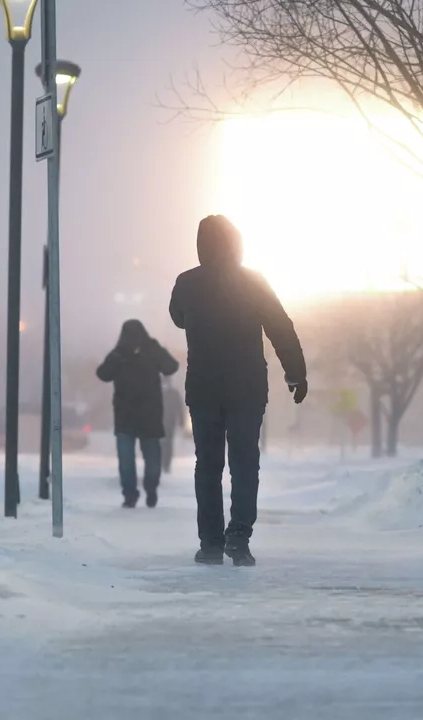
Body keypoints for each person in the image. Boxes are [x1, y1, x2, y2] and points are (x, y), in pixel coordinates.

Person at [169, 214, 307, 567]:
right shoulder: (253, 282)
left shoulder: (187, 282)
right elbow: (281, 327)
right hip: (247, 387)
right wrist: (296, 373)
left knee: (208, 464)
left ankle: (211, 542)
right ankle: (239, 537)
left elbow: (177, 316)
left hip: (203, 387)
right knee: (245, 462)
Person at [96, 319, 179, 508]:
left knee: (130, 459)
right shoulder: (126, 353)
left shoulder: (134, 351)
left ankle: (133, 493)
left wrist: (154, 350)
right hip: (145, 415)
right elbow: (103, 374)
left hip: (130, 415)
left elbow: (170, 367)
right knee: (149, 458)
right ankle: (146, 491)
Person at [161, 377, 184, 474]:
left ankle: (166, 464)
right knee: (162, 443)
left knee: (167, 444)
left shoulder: (174, 393)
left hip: (170, 422)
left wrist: (181, 420)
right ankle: (162, 462)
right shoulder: (157, 393)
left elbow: (179, 407)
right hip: (159, 422)